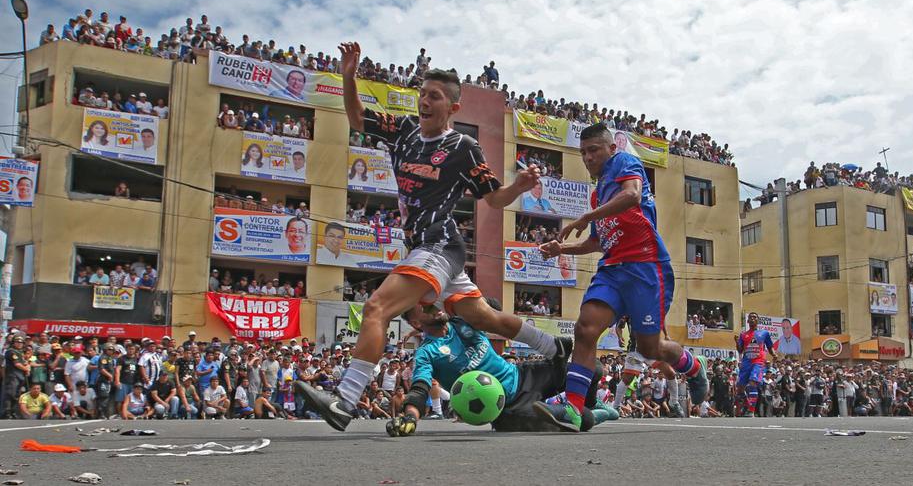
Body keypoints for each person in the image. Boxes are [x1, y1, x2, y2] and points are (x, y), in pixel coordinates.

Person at [296, 42, 568, 432]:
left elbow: (493, 198)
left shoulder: (463, 147)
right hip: (427, 247)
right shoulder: (404, 129)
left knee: (376, 309)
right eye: (422, 94)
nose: (424, 101)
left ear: (452, 108)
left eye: (434, 97)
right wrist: (349, 76)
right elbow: (357, 119)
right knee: (483, 317)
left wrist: (520, 185)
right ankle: (554, 346)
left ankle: (345, 401)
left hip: (439, 244)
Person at [534, 123, 708, 431]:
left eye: (594, 150)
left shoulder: (624, 162)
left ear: (611, 148)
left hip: (645, 265)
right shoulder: (597, 195)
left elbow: (632, 196)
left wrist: (588, 215)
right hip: (612, 268)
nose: (588, 158)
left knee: (650, 349)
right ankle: (573, 407)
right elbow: (595, 243)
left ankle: (694, 367)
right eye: (583, 152)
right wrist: (560, 248)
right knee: (585, 329)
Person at [384, 304, 601, 436]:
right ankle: (575, 411)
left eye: (429, 299)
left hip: (523, 375)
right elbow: (420, 387)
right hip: (508, 408)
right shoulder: (426, 352)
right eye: (422, 306)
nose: (430, 304)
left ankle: (588, 401)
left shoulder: (462, 321)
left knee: (595, 369)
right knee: (586, 420)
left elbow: (489, 307)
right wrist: (410, 418)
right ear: (415, 321)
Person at [735, 312, 778, 416]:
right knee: (740, 389)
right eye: (750, 317)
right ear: (748, 321)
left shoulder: (764, 333)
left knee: (752, 383)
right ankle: (748, 404)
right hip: (746, 362)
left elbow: (769, 346)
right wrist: (737, 342)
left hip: (758, 362)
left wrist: (774, 354)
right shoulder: (743, 335)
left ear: (758, 320)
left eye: (755, 317)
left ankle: (751, 410)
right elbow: (740, 350)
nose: (752, 319)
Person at [3, 334, 30, 418]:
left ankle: (13, 412)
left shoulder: (20, 352)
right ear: (13, 343)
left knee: (17, 395)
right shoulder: (11, 351)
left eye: (21, 342)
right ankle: (6, 413)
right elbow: (17, 364)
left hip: (20, 376)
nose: (19, 344)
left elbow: (25, 363)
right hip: (12, 376)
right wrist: (26, 369)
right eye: (17, 342)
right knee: (10, 394)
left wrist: (27, 367)